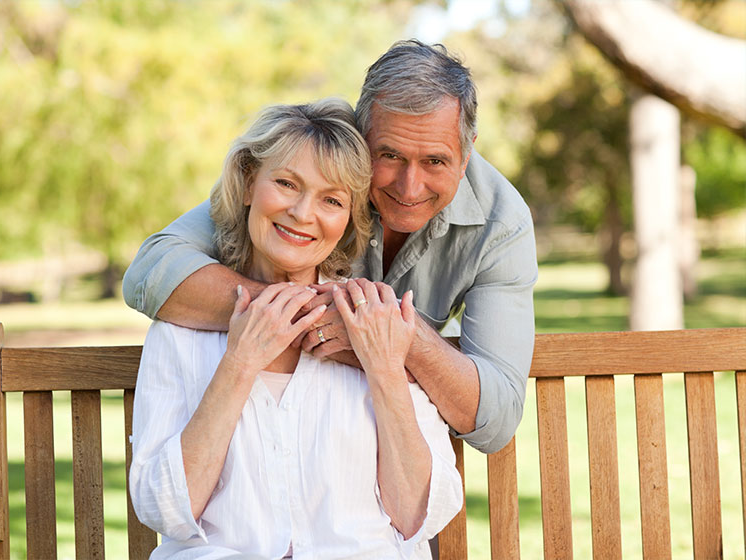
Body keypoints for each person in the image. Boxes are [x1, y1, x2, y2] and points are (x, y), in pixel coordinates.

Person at [123, 40, 538, 454]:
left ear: (466, 156)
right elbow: (151, 271)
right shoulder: (317, 169)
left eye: (435, 161)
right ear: (362, 135)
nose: (409, 187)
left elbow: (496, 420)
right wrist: (304, 312)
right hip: (275, 439)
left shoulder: (502, 224)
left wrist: (386, 334)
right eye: (389, 155)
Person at [129, 99, 463, 559]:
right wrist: (240, 362)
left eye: (331, 199)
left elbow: (419, 517)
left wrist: (384, 368)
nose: (304, 213)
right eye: (287, 184)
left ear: (349, 218)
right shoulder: (181, 327)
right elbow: (164, 509)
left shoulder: (375, 324)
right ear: (249, 183)